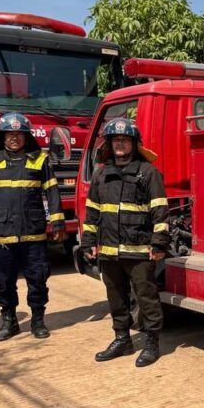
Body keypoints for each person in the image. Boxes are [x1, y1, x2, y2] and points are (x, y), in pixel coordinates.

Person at [82, 117, 170, 367]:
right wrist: (88, 241)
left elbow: (160, 211)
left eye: (125, 140)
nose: (120, 144)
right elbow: (92, 212)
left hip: (140, 250)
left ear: (134, 143)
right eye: (116, 140)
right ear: (109, 144)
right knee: (116, 297)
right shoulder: (101, 174)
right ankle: (122, 339)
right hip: (109, 250)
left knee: (146, 297)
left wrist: (159, 244)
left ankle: (152, 342)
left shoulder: (148, 172)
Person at [0, 113, 64, 341]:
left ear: (26, 136)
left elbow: (52, 192)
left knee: (38, 278)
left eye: (19, 134)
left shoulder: (40, 159)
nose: (15, 138)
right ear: (2, 136)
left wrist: (58, 222)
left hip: (33, 231)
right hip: (1, 233)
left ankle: (38, 320)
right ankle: (9, 321)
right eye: (10, 134)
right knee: (2, 280)